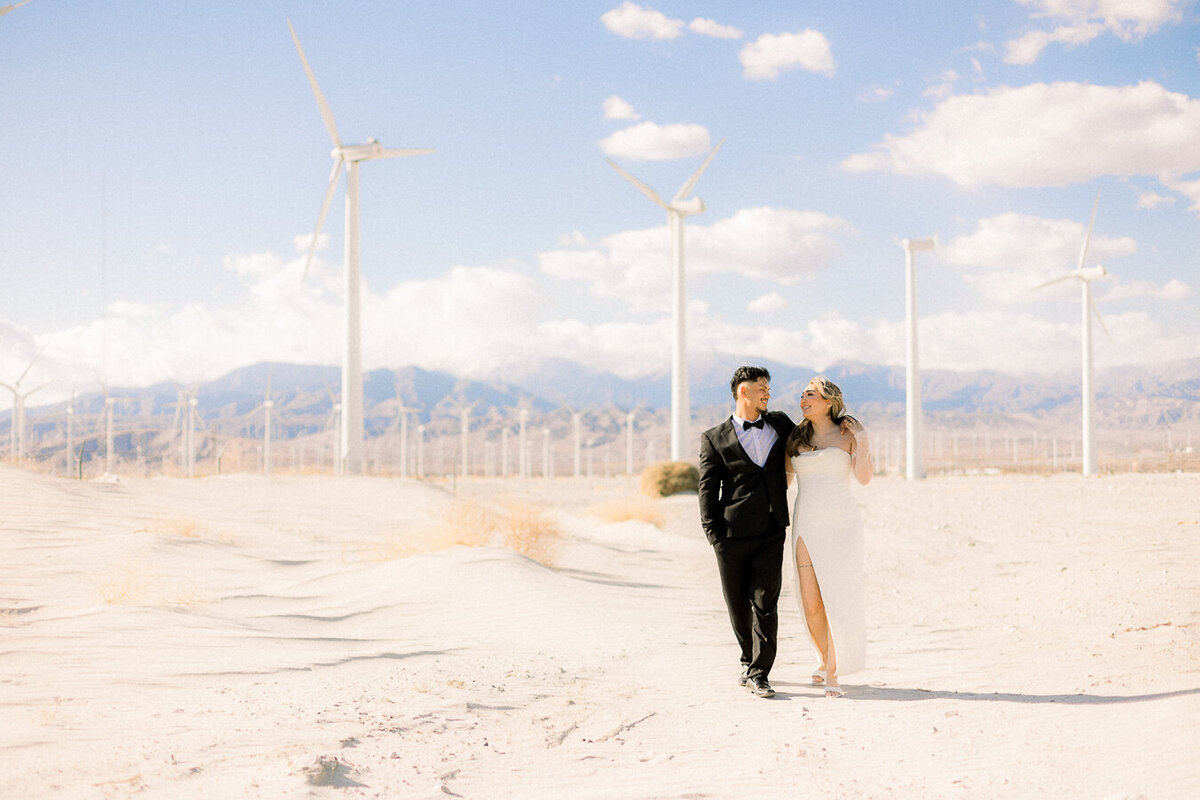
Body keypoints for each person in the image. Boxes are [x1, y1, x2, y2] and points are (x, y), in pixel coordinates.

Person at [699, 366, 796, 698]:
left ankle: (759, 672)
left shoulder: (780, 423)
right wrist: (714, 535)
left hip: (772, 530)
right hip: (731, 534)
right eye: (762, 388)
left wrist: (842, 422)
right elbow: (707, 492)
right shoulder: (713, 438)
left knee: (766, 602)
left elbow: (811, 438)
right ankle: (747, 660)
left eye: (769, 388)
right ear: (743, 392)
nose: (768, 393)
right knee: (736, 603)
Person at [784, 376, 872, 697]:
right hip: (805, 523)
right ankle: (823, 657)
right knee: (811, 604)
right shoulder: (795, 437)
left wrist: (862, 440)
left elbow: (863, 478)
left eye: (809, 394)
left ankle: (833, 670)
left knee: (838, 596)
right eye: (802, 395)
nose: (802, 400)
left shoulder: (848, 435)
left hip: (841, 524)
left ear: (828, 401)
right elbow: (782, 483)